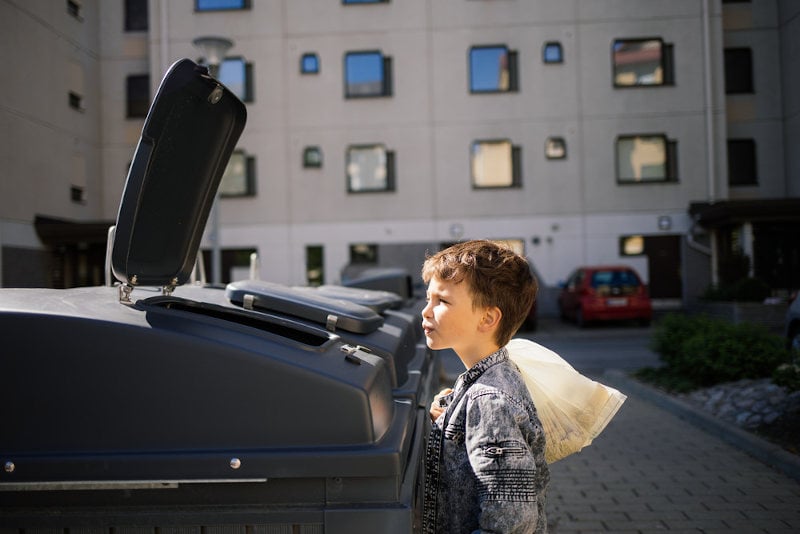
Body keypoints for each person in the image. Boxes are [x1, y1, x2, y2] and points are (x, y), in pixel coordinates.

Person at [420, 240, 549, 533]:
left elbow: (510, 523)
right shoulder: (487, 381)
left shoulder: (489, 400)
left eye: (442, 301)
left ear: (488, 318)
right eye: (428, 298)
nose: (426, 312)